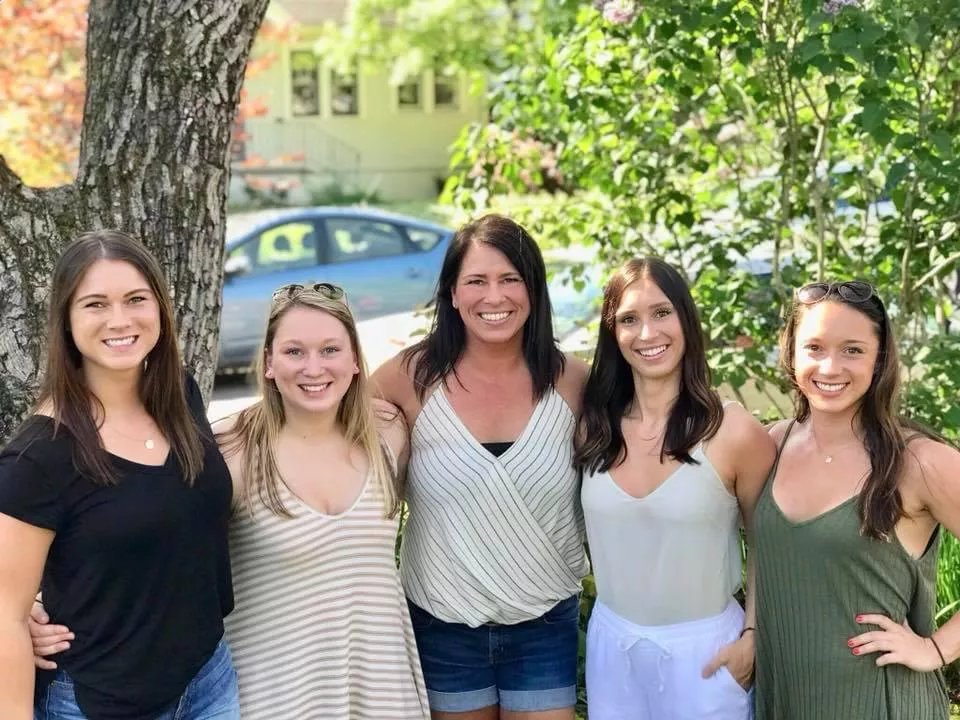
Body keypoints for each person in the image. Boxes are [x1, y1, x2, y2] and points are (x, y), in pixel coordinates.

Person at [31, 282, 431, 720]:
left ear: (355, 360)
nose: (313, 368)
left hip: (380, 686)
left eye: (330, 350)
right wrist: (30, 603)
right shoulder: (230, 451)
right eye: (294, 352)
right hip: (276, 691)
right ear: (269, 363)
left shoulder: (388, 433)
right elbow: (145, 532)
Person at [0, 230, 237, 720]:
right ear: (66, 321)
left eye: (136, 299)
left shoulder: (180, 397)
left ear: (160, 308)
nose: (120, 320)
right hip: (102, 702)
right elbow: (5, 613)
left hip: (208, 681)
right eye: (95, 304)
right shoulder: (40, 457)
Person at [372, 214, 590, 720]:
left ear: (533, 290)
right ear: (451, 293)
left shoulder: (574, 381)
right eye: (476, 281)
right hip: (442, 624)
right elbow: (324, 430)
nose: (494, 297)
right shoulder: (407, 379)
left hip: (543, 620)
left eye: (510, 279)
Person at [574, 257, 775, 719]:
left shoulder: (734, 432)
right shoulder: (593, 428)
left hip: (707, 653)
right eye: (629, 319)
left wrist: (753, 637)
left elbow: (771, 546)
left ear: (686, 319)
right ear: (613, 333)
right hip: (613, 646)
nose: (648, 333)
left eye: (662, 313)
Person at [753, 280, 960, 719]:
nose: (830, 366)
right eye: (814, 347)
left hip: (882, 702)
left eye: (852, 349)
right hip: (786, 700)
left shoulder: (918, 461)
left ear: (879, 358)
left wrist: (936, 649)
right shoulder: (771, 444)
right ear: (791, 353)